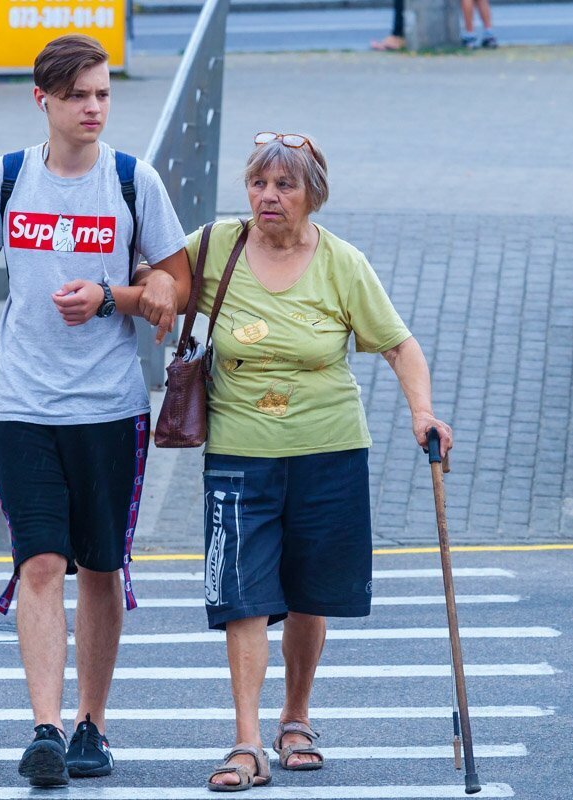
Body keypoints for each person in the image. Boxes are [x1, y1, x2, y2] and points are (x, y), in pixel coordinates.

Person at [0, 34, 190, 788]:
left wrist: (122, 297)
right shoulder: (4, 180)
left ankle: (92, 725)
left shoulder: (135, 182)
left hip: (111, 409)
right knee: (38, 562)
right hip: (25, 407)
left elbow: (178, 287)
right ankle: (44, 728)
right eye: (78, 97)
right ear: (44, 101)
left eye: (103, 93)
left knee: (101, 568)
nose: (94, 107)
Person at [188, 132, 454, 791]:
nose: (268, 197)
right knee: (243, 596)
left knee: (310, 595)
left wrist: (422, 411)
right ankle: (247, 741)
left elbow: (400, 347)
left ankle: (296, 717)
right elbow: (157, 283)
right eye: (258, 183)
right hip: (238, 450)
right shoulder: (214, 246)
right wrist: (124, 296)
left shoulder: (342, 262)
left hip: (329, 448)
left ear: (313, 196)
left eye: (285, 186)